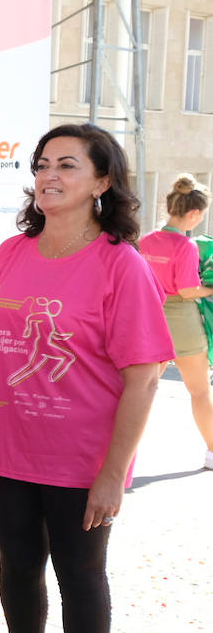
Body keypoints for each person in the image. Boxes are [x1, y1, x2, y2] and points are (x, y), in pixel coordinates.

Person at [0, 124, 172, 633]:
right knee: (17, 566)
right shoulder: (11, 252)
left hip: (82, 459)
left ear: (102, 181)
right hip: (8, 447)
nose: (49, 175)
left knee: (81, 577)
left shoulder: (120, 264)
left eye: (68, 166)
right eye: (42, 164)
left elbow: (143, 376)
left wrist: (114, 473)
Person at [139, 175, 213, 469]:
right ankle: (212, 453)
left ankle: (124, 454)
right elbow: (187, 290)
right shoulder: (186, 247)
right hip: (182, 321)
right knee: (199, 391)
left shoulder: (146, 240)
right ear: (194, 213)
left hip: (150, 320)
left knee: (141, 392)